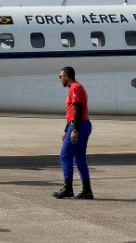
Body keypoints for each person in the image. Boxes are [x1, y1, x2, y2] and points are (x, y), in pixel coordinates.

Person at [53, 67, 94, 199]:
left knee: (65, 155)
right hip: (80, 124)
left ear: (66, 76)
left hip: (79, 125)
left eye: (60, 76)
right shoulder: (75, 87)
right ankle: (87, 190)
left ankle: (68, 188)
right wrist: (66, 129)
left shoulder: (75, 87)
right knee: (79, 158)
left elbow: (78, 109)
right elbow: (72, 112)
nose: (60, 79)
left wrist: (74, 129)